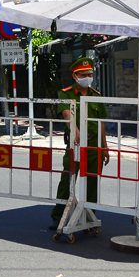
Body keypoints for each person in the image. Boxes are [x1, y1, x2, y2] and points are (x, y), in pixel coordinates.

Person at [49, 56, 110, 229]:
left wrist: (105, 147)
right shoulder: (66, 93)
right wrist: (75, 131)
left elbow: (101, 123)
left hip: (94, 145)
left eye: (89, 74)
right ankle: (58, 216)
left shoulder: (95, 95)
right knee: (68, 179)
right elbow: (67, 115)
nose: (87, 78)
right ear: (75, 76)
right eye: (83, 74)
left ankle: (89, 217)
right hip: (75, 145)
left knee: (92, 182)